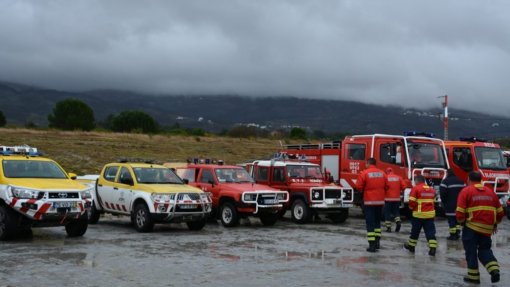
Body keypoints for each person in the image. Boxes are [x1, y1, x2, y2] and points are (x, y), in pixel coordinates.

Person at [456, 171, 504, 284]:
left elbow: (459, 213)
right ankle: (494, 269)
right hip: (487, 228)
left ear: (468, 179)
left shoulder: (466, 191)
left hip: (471, 227)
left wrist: (462, 223)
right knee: (485, 250)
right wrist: (495, 224)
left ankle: (473, 277)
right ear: (481, 179)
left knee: (471, 251)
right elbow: (501, 212)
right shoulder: (491, 192)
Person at [356, 158, 387, 252]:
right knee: (377, 222)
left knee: (370, 223)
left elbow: (358, 186)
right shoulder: (382, 173)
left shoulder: (364, 173)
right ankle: (377, 242)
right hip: (380, 202)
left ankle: (372, 245)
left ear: (368, 163)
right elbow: (387, 185)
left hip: (369, 202)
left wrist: (365, 190)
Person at [404, 175, 438, 256]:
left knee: (415, 232)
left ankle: (411, 247)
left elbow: (411, 202)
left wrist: (411, 208)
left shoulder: (415, 189)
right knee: (430, 232)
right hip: (429, 215)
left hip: (418, 215)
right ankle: (433, 248)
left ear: (417, 181)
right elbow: (434, 200)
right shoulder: (431, 189)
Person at [439, 169, 465, 240]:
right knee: (458, 220)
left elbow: (442, 194)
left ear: (447, 174)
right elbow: (465, 192)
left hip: (450, 204)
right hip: (460, 204)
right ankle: (457, 233)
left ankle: (453, 235)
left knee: (451, 220)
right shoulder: (461, 181)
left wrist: (444, 202)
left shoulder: (445, 182)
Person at [384, 167, 405, 232]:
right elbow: (404, 186)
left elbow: (384, 187)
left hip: (388, 199)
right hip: (396, 199)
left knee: (387, 213)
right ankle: (398, 222)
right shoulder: (399, 177)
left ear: (386, 171)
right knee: (396, 212)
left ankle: (388, 228)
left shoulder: (386, 178)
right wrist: (399, 190)